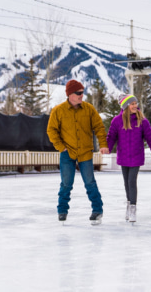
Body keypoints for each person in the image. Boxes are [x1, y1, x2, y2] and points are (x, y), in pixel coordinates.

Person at [47, 79, 109, 225]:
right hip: (67, 153)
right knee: (66, 183)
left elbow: (99, 127)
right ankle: (62, 210)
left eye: (82, 92)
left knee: (90, 182)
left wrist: (103, 144)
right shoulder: (58, 110)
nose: (82, 95)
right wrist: (61, 147)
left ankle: (97, 209)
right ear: (70, 94)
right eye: (78, 93)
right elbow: (51, 130)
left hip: (85, 152)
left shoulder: (89, 109)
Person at [106, 94, 151, 223]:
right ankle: (129, 205)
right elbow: (111, 137)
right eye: (132, 104)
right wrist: (106, 147)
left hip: (136, 155)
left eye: (136, 103)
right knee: (126, 182)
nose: (135, 106)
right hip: (123, 156)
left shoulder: (142, 121)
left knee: (131, 181)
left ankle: (133, 208)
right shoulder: (117, 121)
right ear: (126, 106)